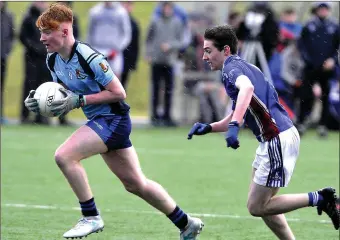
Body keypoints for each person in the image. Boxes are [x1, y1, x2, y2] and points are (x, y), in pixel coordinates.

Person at [23, 3, 203, 239]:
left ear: (65, 32)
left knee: (64, 156)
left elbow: (119, 92)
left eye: (47, 32)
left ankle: (90, 216)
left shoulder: (89, 57)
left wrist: (79, 101)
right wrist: (39, 102)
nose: (42, 38)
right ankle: (186, 222)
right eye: (41, 32)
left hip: (113, 120)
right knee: (136, 184)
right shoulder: (53, 60)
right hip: (101, 121)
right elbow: (63, 96)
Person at [187, 25, 339, 239]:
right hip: (276, 138)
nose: (204, 56)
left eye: (208, 50)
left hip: (277, 138)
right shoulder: (246, 67)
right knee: (265, 204)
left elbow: (247, 90)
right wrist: (212, 127)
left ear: (226, 50)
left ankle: (321, 198)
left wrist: (234, 126)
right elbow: (241, 106)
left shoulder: (231, 70)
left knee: (256, 207)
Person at [297, 2, 340, 137]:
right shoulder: (309, 25)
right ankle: (301, 122)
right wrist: (308, 61)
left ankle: (323, 125)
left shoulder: (334, 26)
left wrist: (333, 60)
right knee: (305, 95)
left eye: (325, 9)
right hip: (310, 67)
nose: (323, 11)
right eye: (321, 9)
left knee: (326, 96)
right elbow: (302, 45)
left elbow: (336, 47)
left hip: (327, 67)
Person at [19, 1, 50, 125]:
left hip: (45, 57)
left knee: (44, 86)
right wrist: (34, 47)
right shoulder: (28, 17)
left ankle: (41, 116)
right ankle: (25, 115)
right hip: (31, 57)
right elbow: (23, 36)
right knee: (30, 85)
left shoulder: (49, 18)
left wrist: (46, 48)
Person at [87, 1, 131, 79]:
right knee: (96, 81)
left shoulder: (121, 12)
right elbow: (90, 33)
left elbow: (126, 34)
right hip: (97, 50)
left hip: (114, 53)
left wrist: (117, 49)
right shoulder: (95, 11)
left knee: (114, 81)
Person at [0, 1, 15, 123]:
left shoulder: (8, 16)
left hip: (2, 57)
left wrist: (7, 50)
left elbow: (12, 36)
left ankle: (1, 114)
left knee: (1, 87)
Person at [121, 1, 140, 90]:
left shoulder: (134, 24)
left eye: (129, 4)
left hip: (126, 61)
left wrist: (133, 63)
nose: (126, 6)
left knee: (122, 87)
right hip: (112, 60)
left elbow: (135, 45)